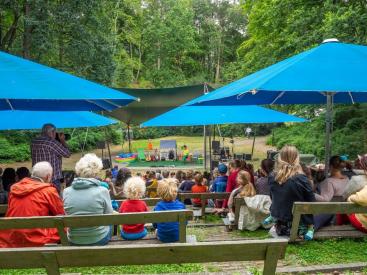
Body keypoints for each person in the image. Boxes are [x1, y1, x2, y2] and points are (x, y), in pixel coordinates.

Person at [0, 162, 65, 248]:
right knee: (65, 227)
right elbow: (61, 215)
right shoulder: (49, 191)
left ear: (32, 174)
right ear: (48, 176)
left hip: (12, 237)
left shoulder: (14, 188)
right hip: (36, 239)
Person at [63, 154, 113, 246]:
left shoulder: (66, 192)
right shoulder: (103, 191)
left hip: (74, 240)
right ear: (96, 172)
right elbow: (109, 217)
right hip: (99, 238)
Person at [267, 145, 315, 240]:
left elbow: (273, 198)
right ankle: (311, 228)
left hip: (281, 227)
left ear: (280, 158)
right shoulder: (302, 178)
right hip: (299, 227)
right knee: (326, 214)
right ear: (297, 158)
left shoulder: (272, 176)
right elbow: (311, 203)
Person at [31, 123, 71, 192]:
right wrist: (62, 141)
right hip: (52, 178)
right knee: (54, 200)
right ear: (52, 132)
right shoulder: (52, 143)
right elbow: (67, 154)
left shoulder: (34, 141)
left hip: (37, 179)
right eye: (55, 132)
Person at [314, 156, 349, 230]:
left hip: (330, 215)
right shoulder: (347, 179)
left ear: (330, 166)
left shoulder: (329, 182)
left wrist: (310, 193)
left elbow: (325, 200)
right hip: (343, 213)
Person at [153, 178, 185, 242]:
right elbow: (185, 223)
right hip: (179, 236)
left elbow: (155, 225)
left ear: (160, 192)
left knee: (156, 231)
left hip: (163, 238)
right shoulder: (181, 205)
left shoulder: (158, 207)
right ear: (175, 192)